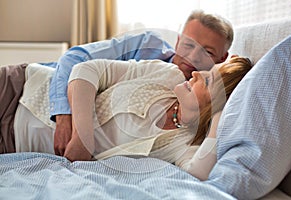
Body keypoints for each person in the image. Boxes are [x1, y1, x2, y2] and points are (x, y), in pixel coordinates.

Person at [7, 56, 252, 180]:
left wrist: (218, 123)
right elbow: (86, 69)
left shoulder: (183, 147)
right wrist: (83, 138)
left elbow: (199, 174)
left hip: (14, 145)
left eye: (208, 80)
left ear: (215, 106)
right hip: (22, 89)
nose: (197, 73)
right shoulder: (167, 75)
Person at [49, 10, 234, 157]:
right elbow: (74, 59)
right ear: (178, 41)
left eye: (207, 52)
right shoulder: (147, 46)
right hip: (42, 80)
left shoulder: (196, 106)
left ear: (222, 59)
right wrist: (64, 117)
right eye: (188, 45)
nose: (192, 57)